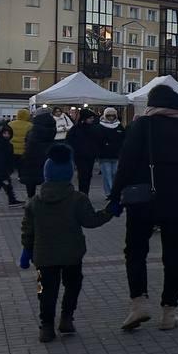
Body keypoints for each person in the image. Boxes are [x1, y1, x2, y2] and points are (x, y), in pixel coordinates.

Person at [111, 85, 178, 332]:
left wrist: (114, 196)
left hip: (142, 200)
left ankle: (139, 303)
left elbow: (126, 164)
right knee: (174, 255)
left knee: (135, 250)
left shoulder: (142, 126)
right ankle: (169, 311)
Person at [19, 145, 117, 342]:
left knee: (44, 289)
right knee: (73, 285)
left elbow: (27, 231)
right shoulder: (77, 199)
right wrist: (109, 212)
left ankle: (46, 326)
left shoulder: (34, 202)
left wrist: (27, 251)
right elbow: (91, 221)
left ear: (46, 173)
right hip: (72, 254)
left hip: (43, 256)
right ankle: (66, 318)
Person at [20, 108, 57, 199]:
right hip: (47, 156)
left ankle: (31, 199)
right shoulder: (52, 127)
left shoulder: (34, 128)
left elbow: (29, 143)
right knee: (46, 180)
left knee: (31, 180)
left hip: (32, 158)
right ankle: (47, 198)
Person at [67, 109, 101, 195]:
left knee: (88, 175)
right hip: (80, 156)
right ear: (84, 118)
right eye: (90, 118)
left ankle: (85, 193)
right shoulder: (76, 128)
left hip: (90, 155)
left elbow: (98, 140)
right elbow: (69, 139)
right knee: (83, 175)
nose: (92, 119)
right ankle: (83, 193)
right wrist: (77, 148)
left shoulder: (94, 128)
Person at [0, 125, 23, 208]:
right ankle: (12, 201)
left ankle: (12, 200)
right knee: (0, 184)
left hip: (2, 169)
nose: (7, 135)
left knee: (2, 185)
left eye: (8, 133)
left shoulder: (7, 144)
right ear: (0, 134)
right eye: (5, 133)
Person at [96, 108, 124, 198]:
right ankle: (110, 193)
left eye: (113, 115)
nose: (111, 117)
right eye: (109, 115)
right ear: (105, 115)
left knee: (115, 174)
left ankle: (113, 191)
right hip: (104, 155)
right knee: (107, 174)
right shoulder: (100, 126)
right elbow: (98, 140)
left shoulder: (119, 126)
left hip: (116, 154)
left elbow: (123, 139)